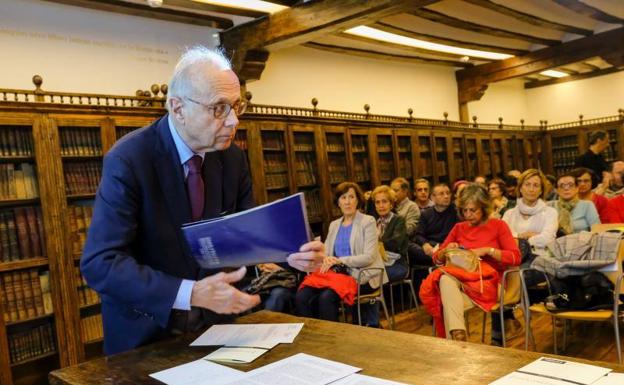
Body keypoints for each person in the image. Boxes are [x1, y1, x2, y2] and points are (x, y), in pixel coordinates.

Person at [80, 47, 324, 355]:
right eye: (219, 108)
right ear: (178, 108)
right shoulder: (129, 159)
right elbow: (100, 263)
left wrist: (289, 252)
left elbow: (246, 231)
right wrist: (191, 293)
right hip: (145, 334)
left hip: (216, 328)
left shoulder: (231, 158)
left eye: (237, 106)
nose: (234, 120)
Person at [420, 184, 520, 342]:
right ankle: (458, 335)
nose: (468, 214)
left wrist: (488, 250)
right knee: (446, 280)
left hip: (492, 283)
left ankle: (455, 347)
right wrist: (445, 252)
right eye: (464, 210)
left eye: (473, 210)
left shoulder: (498, 225)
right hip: (464, 284)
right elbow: (436, 259)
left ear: (484, 207)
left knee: (444, 302)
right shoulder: (459, 228)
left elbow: (515, 258)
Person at [296, 182, 386, 326]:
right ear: (338, 202)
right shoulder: (334, 224)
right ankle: (312, 334)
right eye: (343, 198)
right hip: (337, 276)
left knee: (326, 297)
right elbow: (326, 253)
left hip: (363, 276)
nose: (347, 201)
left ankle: (333, 339)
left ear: (358, 200)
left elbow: (369, 257)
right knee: (302, 295)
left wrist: (339, 261)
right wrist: (326, 258)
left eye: (351, 197)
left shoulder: (368, 221)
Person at [502, 169, 558, 259]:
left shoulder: (550, 212)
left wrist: (517, 239)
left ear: (541, 191)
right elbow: (503, 240)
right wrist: (524, 236)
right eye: (527, 184)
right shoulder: (509, 214)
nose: (531, 189)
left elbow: (547, 239)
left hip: (541, 259)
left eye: (536, 185)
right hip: (513, 259)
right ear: (520, 188)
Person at [409, 184, 459, 267]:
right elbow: (419, 234)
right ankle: (436, 258)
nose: (446, 196)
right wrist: (425, 244)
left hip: (447, 247)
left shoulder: (456, 212)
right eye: (441, 194)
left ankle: (438, 258)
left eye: (448, 193)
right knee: (408, 246)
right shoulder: (426, 214)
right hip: (431, 247)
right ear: (432, 197)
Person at [372, 185, 408, 282]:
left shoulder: (398, 220)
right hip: (378, 262)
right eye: (377, 202)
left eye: (384, 201)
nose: (381, 205)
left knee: (374, 276)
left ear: (391, 204)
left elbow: (395, 243)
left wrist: (375, 243)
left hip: (397, 263)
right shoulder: (374, 222)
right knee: (365, 274)